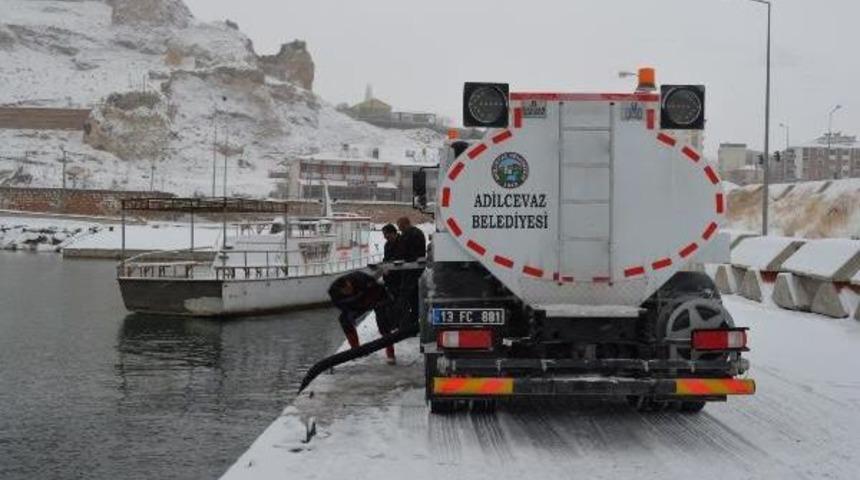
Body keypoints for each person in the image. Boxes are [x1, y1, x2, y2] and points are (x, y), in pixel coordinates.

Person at [377, 224, 403, 364]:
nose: (385, 237)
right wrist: (383, 267)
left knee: (396, 306)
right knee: (385, 321)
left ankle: (397, 324)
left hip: (400, 280)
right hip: (390, 281)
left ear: (393, 233)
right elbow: (387, 259)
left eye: (386, 235)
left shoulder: (401, 243)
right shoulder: (388, 244)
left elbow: (401, 260)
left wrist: (391, 268)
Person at [395, 217, 426, 324]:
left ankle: (408, 323)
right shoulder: (419, 232)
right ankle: (415, 320)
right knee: (416, 298)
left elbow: (402, 253)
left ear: (404, 224)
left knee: (406, 298)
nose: (399, 228)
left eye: (399, 226)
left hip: (409, 271)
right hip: (419, 270)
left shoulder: (407, 235)